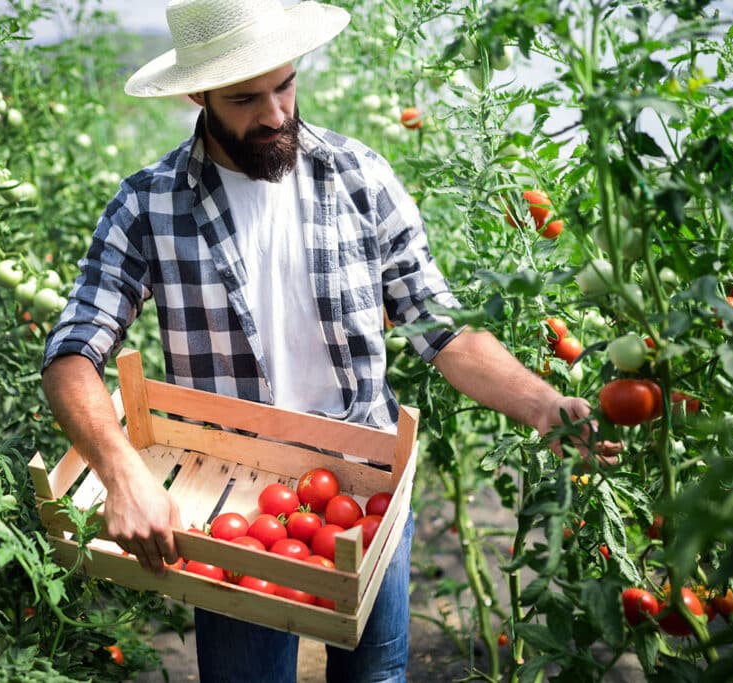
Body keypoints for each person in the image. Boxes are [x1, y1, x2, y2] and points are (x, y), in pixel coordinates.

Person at [41, 0, 615, 681]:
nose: (277, 113)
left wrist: (546, 405)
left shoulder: (359, 177)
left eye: (285, 83)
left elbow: (445, 329)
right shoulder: (148, 204)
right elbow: (73, 351)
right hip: (235, 498)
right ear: (198, 94)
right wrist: (121, 470)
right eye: (245, 97)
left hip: (363, 485)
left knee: (376, 675)